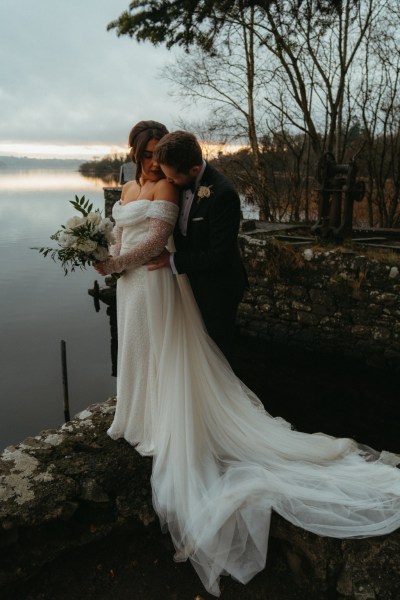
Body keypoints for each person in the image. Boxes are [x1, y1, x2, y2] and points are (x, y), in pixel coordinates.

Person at [95, 122, 400, 598]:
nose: (158, 166)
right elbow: (133, 232)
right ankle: (139, 411)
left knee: (207, 354)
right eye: (150, 154)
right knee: (149, 353)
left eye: (165, 159)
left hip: (205, 283)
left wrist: (145, 264)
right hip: (148, 283)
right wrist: (103, 251)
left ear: (190, 168)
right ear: (137, 152)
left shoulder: (223, 192)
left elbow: (202, 250)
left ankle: (189, 416)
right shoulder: (147, 182)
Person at [147, 131, 248, 361]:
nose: (168, 182)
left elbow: (218, 256)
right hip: (188, 284)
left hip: (218, 287)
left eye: (172, 179)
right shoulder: (178, 182)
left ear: (193, 170)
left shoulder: (224, 195)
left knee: (216, 353)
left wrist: (171, 260)